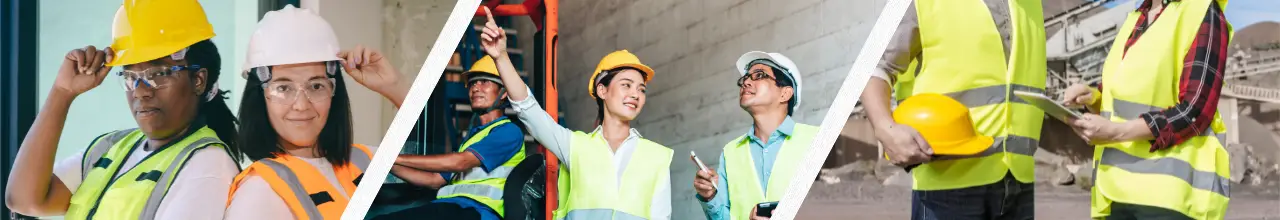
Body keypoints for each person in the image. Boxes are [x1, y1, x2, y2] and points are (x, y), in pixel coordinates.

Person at [4, 1, 242, 219]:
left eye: (158, 74)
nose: (140, 91)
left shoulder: (207, 166)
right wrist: (62, 93)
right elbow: (24, 200)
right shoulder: (111, 148)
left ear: (198, 80)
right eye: (131, 76)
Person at [477, 7, 673, 220]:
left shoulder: (657, 157)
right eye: (626, 85)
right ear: (602, 90)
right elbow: (527, 109)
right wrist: (501, 57)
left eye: (641, 89)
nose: (635, 94)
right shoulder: (576, 147)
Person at [859, 0, 1047, 219]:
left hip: (1019, 181)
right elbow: (874, 66)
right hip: (948, 183)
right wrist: (884, 127)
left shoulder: (1031, 5)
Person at [223, 5, 407, 220]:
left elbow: (444, 169)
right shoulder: (260, 193)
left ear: (333, 91)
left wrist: (395, 86)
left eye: (316, 86)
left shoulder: (364, 159)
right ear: (260, 96)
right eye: (283, 88)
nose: (301, 105)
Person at [1061, 0, 1232, 219]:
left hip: (1168, 200)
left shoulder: (1200, 10)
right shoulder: (1136, 18)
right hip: (1115, 191)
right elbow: (1124, 92)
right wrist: (1093, 97)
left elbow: (1194, 111)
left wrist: (1115, 132)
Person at [376, 55, 527, 220]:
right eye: (472, 84)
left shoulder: (509, 132)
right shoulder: (473, 138)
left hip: (478, 212)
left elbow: (459, 162)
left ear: (503, 92)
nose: (475, 88)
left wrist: (398, 158)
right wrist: (389, 164)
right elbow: (435, 180)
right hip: (454, 208)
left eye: (484, 82)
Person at [694, 52, 817, 220]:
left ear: (785, 94)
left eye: (759, 75)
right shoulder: (731, 152)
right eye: (745, 78)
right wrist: (710, 197)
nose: (746, 82)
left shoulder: (816, 139)